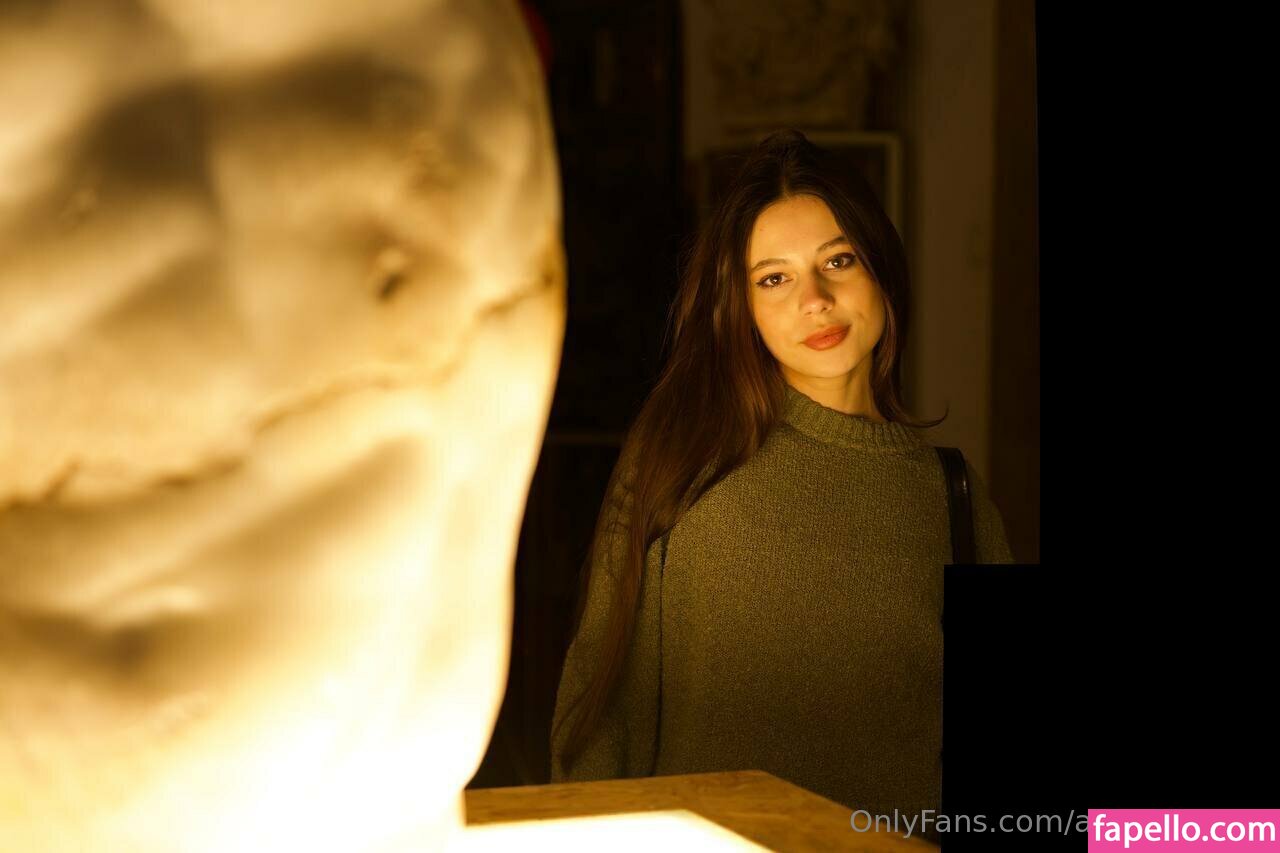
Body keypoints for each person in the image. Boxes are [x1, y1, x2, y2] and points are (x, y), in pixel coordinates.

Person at [549, 129, 1013, 838]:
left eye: (838, 260)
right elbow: (601, 708)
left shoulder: (955, 498)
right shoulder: (681, 459)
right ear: (741, 307)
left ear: (880, 268)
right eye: (774, 278)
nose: (815, 299)